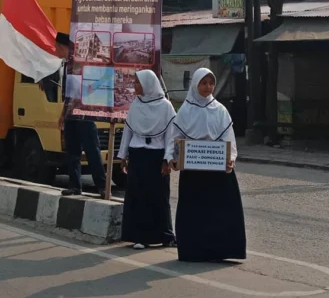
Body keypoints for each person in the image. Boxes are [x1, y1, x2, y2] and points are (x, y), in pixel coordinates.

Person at [170, 68, 246, 262]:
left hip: (217, 169)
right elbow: (176, 139)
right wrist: (174, 158)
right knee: (195, 213)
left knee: (219, 212)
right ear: (196, 85)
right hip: (193, 171)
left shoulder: (220, 110)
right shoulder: (185, 111)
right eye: (203, 83)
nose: (208, 87)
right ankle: (194, 250)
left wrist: (231, 159)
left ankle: (221, 251)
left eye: (211, 83)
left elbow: (230, 139)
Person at [118, 70, 177, 249]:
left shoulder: (165, 107)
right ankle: (140, 237)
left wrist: (168, 159)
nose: (134, 85)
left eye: (138, 82)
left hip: (156, 156)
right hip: (138, 154)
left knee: (159, 196)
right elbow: (128, 131)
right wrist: (122, 156)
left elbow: (171, 136)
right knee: (138, 195)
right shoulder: (135, 105)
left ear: (148, 84)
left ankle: (165, 235)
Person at [55, 32, 107, 198]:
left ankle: (102, 186)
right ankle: (74, 185)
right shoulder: (65, 65)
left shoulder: (82, 62)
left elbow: (99, 81)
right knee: (72, 152)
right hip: (71, 114)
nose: (56, 51)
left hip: (85, 113)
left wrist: (89, 94)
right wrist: (63, 114)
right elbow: (69, 93)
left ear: (63, 47)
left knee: (92, 151)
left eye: (57, 48)